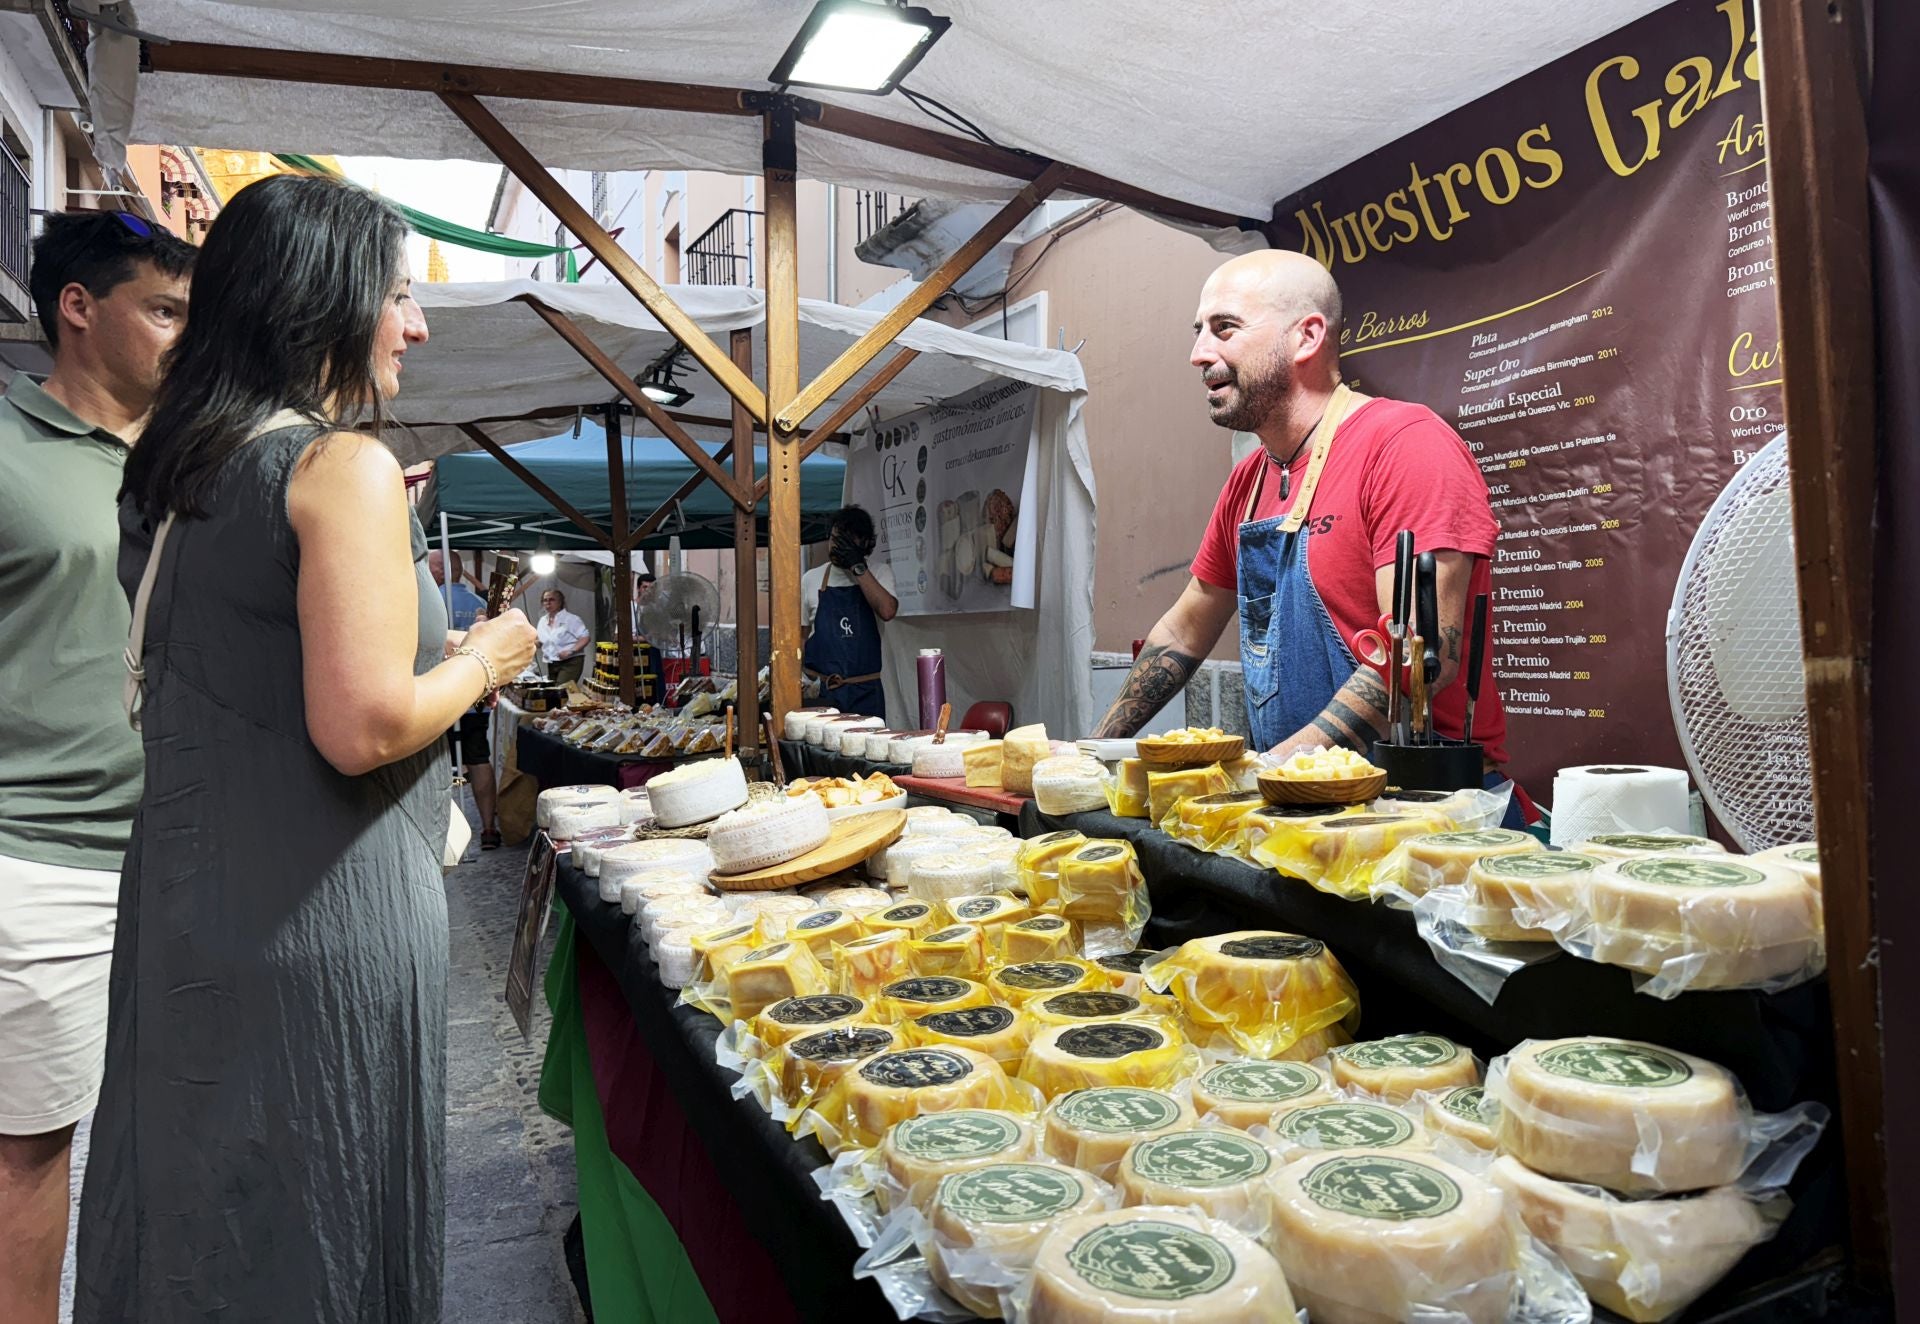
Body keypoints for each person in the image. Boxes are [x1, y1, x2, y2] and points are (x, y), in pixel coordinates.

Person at [74, 173, 536, 1322]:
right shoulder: (341, 467)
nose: (417, 325)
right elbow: (365, 722)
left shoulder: (173, 473)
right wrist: (489, 658)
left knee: (202, 1226)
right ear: (320, 300)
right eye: (398, 295)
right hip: (322, 919)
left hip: (187, 908)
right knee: (320, 1224)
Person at [1093, 251, 1525, 819]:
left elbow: (1422, 652)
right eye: (1199, 332)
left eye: (1225, 328)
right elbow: (1185, 626)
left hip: (1422, 812)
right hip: (1300, 803)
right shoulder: (1249, 482)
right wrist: (1091, 751)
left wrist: (1275, 770)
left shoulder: (1404, 444)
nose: (1199, 353)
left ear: (1306, 337)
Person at [0, 210, 193, 1324]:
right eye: (164, 311)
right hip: (42, 861)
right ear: (80, 308)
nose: (185, 336)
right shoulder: (12, 452)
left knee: (175, 1124)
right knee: (30, 1153)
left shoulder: (191, 465)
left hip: (187, 851)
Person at [428, 551, 502, 849]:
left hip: (439, 694)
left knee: (436, 764)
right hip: (474, 697)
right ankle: (488, 828)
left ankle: (441, 833)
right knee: (478, 757)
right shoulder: (479, 604)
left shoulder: (429, 604)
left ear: (439, 571)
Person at [802, 505, 897, 720]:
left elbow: (888, 610)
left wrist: (857, 565)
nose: (837, 546)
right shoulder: (811, 579)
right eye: (835, 539)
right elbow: (801, 635)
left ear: (864, 543)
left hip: (865, 693)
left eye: (846, 541)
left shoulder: (879, 573)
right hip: (824, 692)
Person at [536, 587, 590, 683]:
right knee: (553, 691)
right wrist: (536, 644)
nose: (548, 603)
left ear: (560, 602)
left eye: (552, 600)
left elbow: (585, 638)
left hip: (570, 661)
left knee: (562, 690)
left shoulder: (571, 619)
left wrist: (570, 651)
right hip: (552, 662)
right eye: (545, 600)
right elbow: (542, 641)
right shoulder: (542, 621)